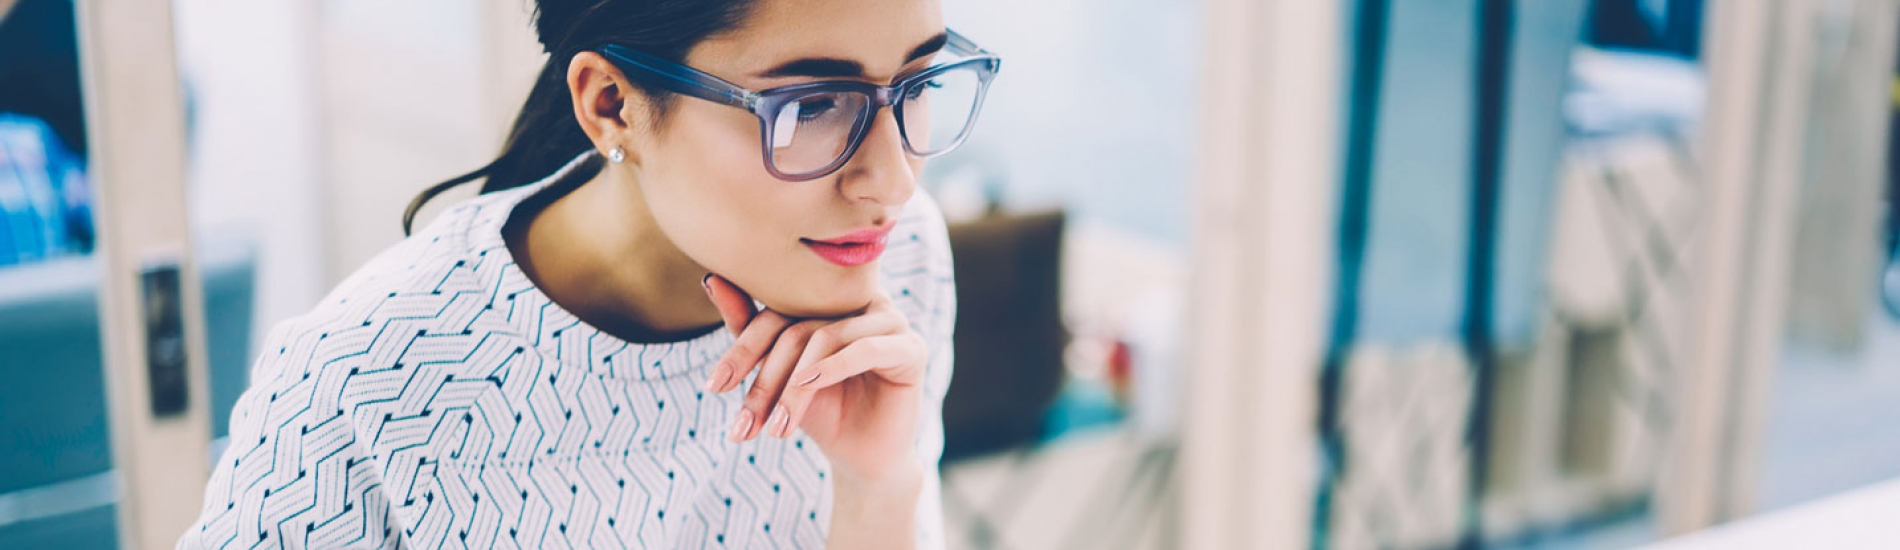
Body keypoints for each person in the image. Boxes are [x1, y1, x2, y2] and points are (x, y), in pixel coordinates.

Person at [177, 0, 999, 546]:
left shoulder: (891, 257)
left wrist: (878, 487)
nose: (891, 182)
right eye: (813, 105)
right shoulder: (361, 387)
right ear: (611, 103)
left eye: (919, 85)